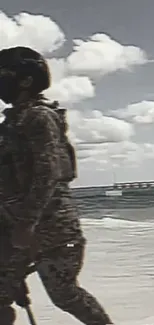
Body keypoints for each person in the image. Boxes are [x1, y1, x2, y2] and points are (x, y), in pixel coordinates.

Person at [0, 46, 114, 325]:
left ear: (25, 80)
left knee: (64, 294)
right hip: (15, 226)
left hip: (52, 228)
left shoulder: (39, 117)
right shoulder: (13, 120)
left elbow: (48, 172)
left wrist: (27, 224)